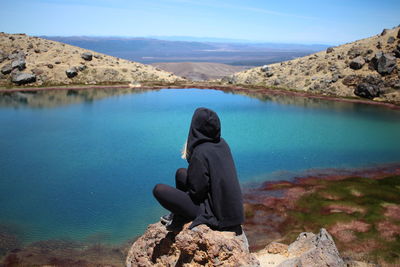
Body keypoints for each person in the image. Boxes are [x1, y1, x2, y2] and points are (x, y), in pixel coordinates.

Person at [153, 107, 244, 234]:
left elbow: (197, 193)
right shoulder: (222, 143)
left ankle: (180, 215)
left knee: (159, 190)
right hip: (230, 212)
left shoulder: (201, 152)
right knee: (181, 173)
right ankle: (177, 215)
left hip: (218, 217)